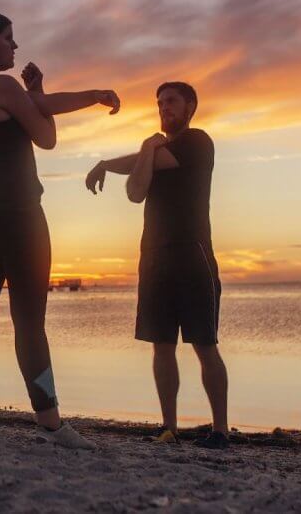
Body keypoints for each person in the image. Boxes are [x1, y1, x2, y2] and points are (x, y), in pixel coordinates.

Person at [0, 10, 120, 449]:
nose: (14, 46)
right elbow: (45, 134)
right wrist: (84, 94)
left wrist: (51, 94)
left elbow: (39, 110)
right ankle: (49, 423)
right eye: (9, 38)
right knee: (29, 319)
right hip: (17, 215)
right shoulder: (2, 86)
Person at [85, 82, 230, 449]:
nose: (164, 107)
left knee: (204, 344)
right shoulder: (154, 149)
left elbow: (143, 173)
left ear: (190, 106)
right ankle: (170, 427)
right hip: (154, 257)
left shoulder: (198, 141)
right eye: (160, 102)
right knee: (161, 345)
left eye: (172, 101)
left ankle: (221, 430)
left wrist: (138, 152)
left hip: (192, 255)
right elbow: (139, 174)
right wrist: (112, 161)